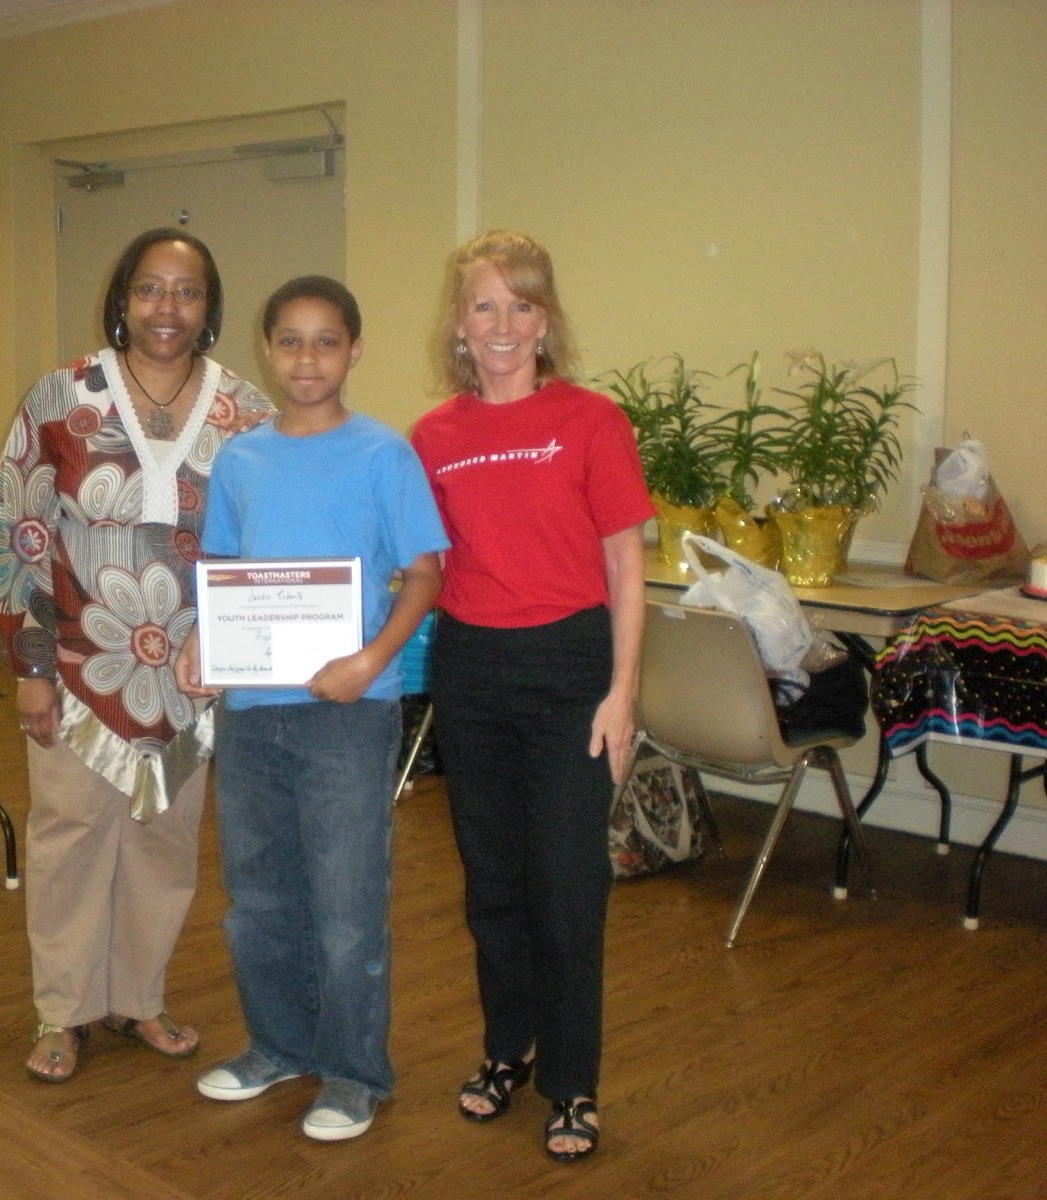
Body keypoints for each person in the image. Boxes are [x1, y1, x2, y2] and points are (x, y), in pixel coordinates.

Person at [0, 228, 273, 1084]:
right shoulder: (61, 397)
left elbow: (262, 544)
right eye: (150, 288)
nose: (167, 307)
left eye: (187, 291)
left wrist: (238, 651)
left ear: (209, 308)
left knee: (164, 845)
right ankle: (62, 1012)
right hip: (78, 667)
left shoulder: (246, 410)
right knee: (69, 840)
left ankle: (139, 997)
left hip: (190, 678)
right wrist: (31, 669)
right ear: (123, 299)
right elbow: (19, 531)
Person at [178, 275, 448, 1141]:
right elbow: (223, 570)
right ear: (267, 350)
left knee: (345, 903)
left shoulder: (383, 455)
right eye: (290, 341)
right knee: (258, 898)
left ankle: (355, 1072)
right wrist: (201, 641)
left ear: (354, 351)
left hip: (349, 713)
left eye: (326, 341)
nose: (307, 359)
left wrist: (371, 660)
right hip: (253, 711)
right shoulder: (242, 459)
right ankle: (278, 1045)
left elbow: (426, 574)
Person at [408, 231, 652, 1162]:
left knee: (568, 887)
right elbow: (421, 566)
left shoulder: (592, 421)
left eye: (521, 304)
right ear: (460, 323)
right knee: (494, 884)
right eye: (484, 305)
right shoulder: (434, 436)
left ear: (545, 320)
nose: (502, 324)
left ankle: (573, 1081)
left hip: (570, 671)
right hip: (471, 670)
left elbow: (626, 567)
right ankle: (507, 1048)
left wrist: (622, 693)